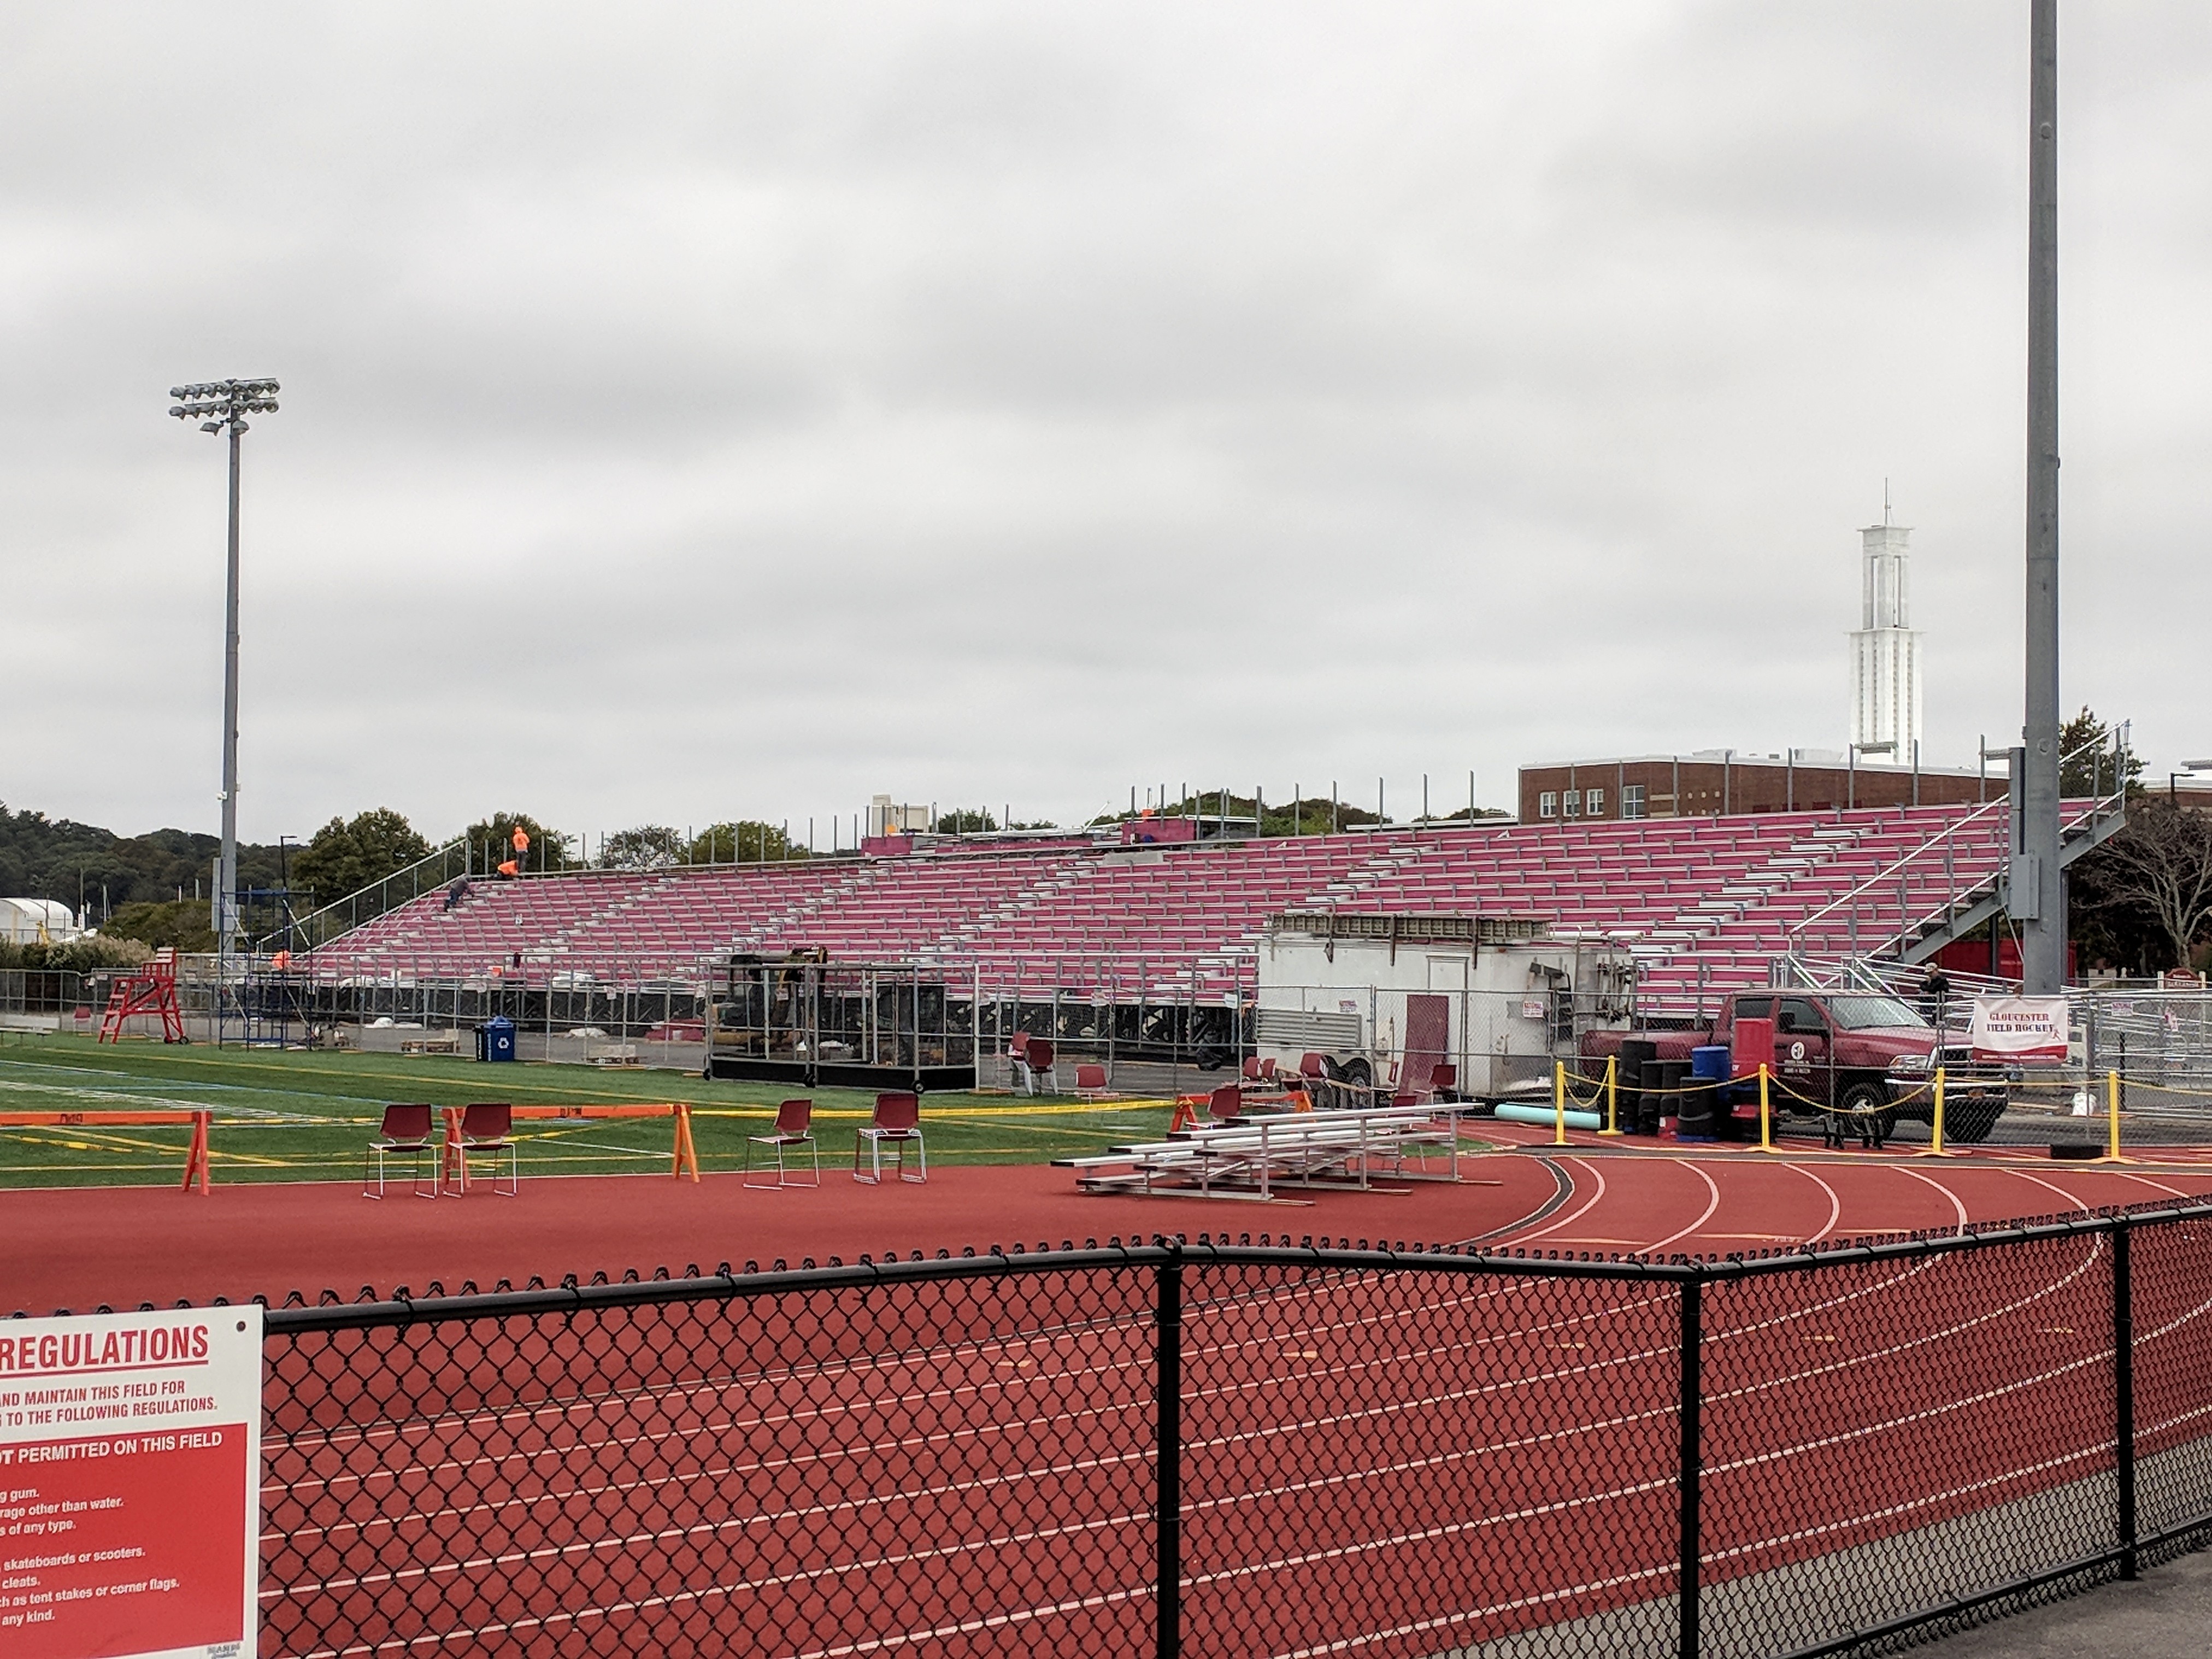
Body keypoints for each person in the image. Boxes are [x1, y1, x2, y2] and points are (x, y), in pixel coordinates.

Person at [1917, 963, 1952, 1027]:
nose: (1930, 975)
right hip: (1930, 1003)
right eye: (1928, 973)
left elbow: (1934, 988)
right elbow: (1922, 986)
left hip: (1939, 1003)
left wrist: (1928, 988)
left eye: (1931, 973)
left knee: (1937, 1017)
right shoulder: (1928, 981)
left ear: (1936, 971)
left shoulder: (1942, 980)